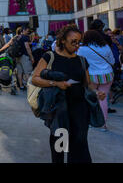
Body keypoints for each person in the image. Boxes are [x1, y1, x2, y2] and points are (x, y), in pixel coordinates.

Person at [32, 24, 106, 163]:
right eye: (73, 42)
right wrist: (55, 84)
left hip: (80, 109)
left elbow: (87, 84)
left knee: (79, 143)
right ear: (63, 40)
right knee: (60, 145)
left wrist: (96, 92)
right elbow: (35, 79)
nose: (77, 45)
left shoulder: (82, 60)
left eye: (79, 42)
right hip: (59, 109)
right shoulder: (50, 56)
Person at [77, 30, 115, 131]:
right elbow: (112, 61)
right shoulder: (106, 47)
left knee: (90, 98)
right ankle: (103, 124)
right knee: (103, 99)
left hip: (92, 76)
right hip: (107, 75)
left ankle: (91, 121)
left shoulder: (82, 49)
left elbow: (80, 64)